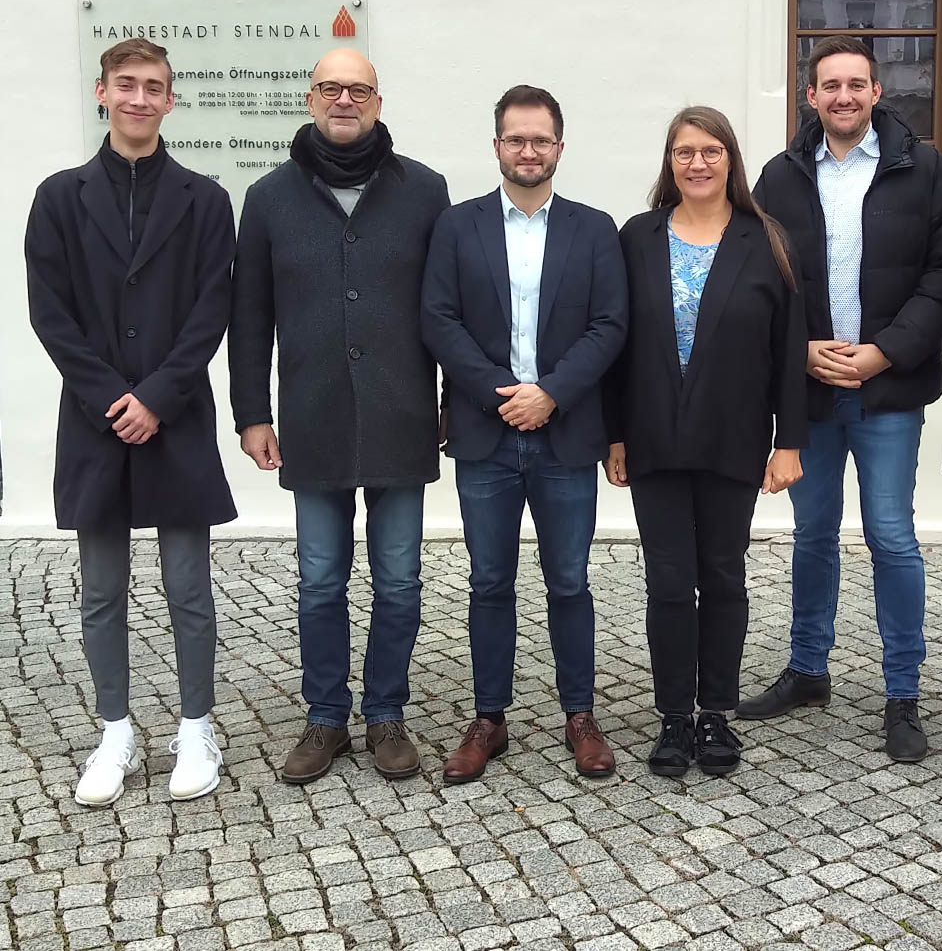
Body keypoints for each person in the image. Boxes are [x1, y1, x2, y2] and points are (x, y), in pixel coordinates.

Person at [737, 35, 942, 763]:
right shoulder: (779, 177)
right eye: (828, 85)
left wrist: (883, 351)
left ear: (876, 92)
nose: (842, 95)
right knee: (812, 534)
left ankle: (903, 690)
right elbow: (759, 280)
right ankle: (808, 669)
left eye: (855, 84)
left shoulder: (924, 171)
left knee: (891, 536)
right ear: (811, 96)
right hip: (808, 389)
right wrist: (799, 347)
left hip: (889, 389)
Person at [228, 48, 450, 784]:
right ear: (310, 98)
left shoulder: (424, 191)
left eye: (359, 89)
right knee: (320, 580)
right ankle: (326, 715)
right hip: (312, 415)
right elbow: (249, 314)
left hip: (402, 411)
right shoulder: (268, 197)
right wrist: (252, 411)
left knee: (399, 580)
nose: (345, 99)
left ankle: (385, 711)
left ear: (379, 102)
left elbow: (448, 306)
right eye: (332, 88)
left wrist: (451, 399)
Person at [26, 37, 235, 805]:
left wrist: (159, 396)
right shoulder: (59, 196)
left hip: (174, 417)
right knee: (102, 590)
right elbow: (50, 312)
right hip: (95, 419)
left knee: (189, 587)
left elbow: (213, 306)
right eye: (127, 85)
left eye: (154, 87)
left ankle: (195, 723)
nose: (140, 98)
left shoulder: (206, 200)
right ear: (101, 93)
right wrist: (113, 397)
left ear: (171, 100)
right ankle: (114, 728)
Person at [421, 85, 627, 783]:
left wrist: (552, 394)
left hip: (566, 434)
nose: (529, 150)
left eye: (541, 139)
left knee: (569, 580)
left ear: (560, 148)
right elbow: (439, 320)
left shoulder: (595, 228)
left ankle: (579, 714)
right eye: (517, 138)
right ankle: (490, 717)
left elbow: (610, 325)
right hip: (486, 432)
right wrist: (501, 394)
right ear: (498, 146)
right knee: (488, 581)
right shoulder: (458, 225)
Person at [604, 106, 807, 777]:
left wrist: (789, 441)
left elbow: (787, 354)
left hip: (733, 438)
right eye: (684, 151)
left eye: (711, 151)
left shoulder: (766, 238)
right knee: (668, 582)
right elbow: (615, 344)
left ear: (730, 160)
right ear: (669, 162)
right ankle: (673, 718)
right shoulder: (637, 238)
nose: (697, 163)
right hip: (654, 438)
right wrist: (614, 434)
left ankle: (716, 712)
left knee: (722, 576)